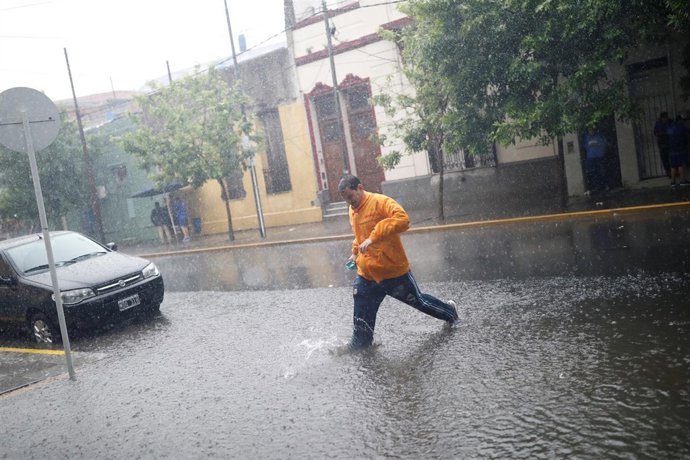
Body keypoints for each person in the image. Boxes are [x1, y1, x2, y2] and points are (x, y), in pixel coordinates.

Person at [338, 174, 458, 349]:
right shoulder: (352, 210)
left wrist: (375, 236)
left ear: (360, 188)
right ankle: (361, 345)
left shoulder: (380, 202)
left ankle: (450, 312)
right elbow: (360, 236)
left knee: (420, 302)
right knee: (361, 318)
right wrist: (355, 252)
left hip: (393, 272)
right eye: (346, 199)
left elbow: (403, 219)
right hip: (367, 276)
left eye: (351, 196)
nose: (350, 202)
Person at [667, 114, 689, 188]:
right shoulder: (682, 127)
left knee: (673, 167)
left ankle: (672, 182)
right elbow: (687, 136)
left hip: (671, 150)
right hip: (680, 150)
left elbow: (668, 136)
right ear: (680, 120)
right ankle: (683, 181)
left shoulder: (670, 127)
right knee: (680, 165)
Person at [583, 127, 608, 194]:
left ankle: (605, 186)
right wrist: (588, 145)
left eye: (592, 130)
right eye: (589, 130)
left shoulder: (599, 135)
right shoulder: (586, 137)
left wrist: (598, 144)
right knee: (593, 173)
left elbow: (604, 144)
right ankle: (596, 187)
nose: (591, 131)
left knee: (602, 171)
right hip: (590, 157)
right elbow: (584, 146)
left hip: (599, 156)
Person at [653, 112, 671, 177]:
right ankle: (668, 172)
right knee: (664, 159)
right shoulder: (658, 123)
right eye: (664, 117)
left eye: (666, 117)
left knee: (671, 159)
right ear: (662, 118)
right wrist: (663, 134)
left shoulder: (670, 122)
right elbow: (655, 133)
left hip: (670, 143)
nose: (665, 119)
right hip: (662, 144)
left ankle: (672, 172)